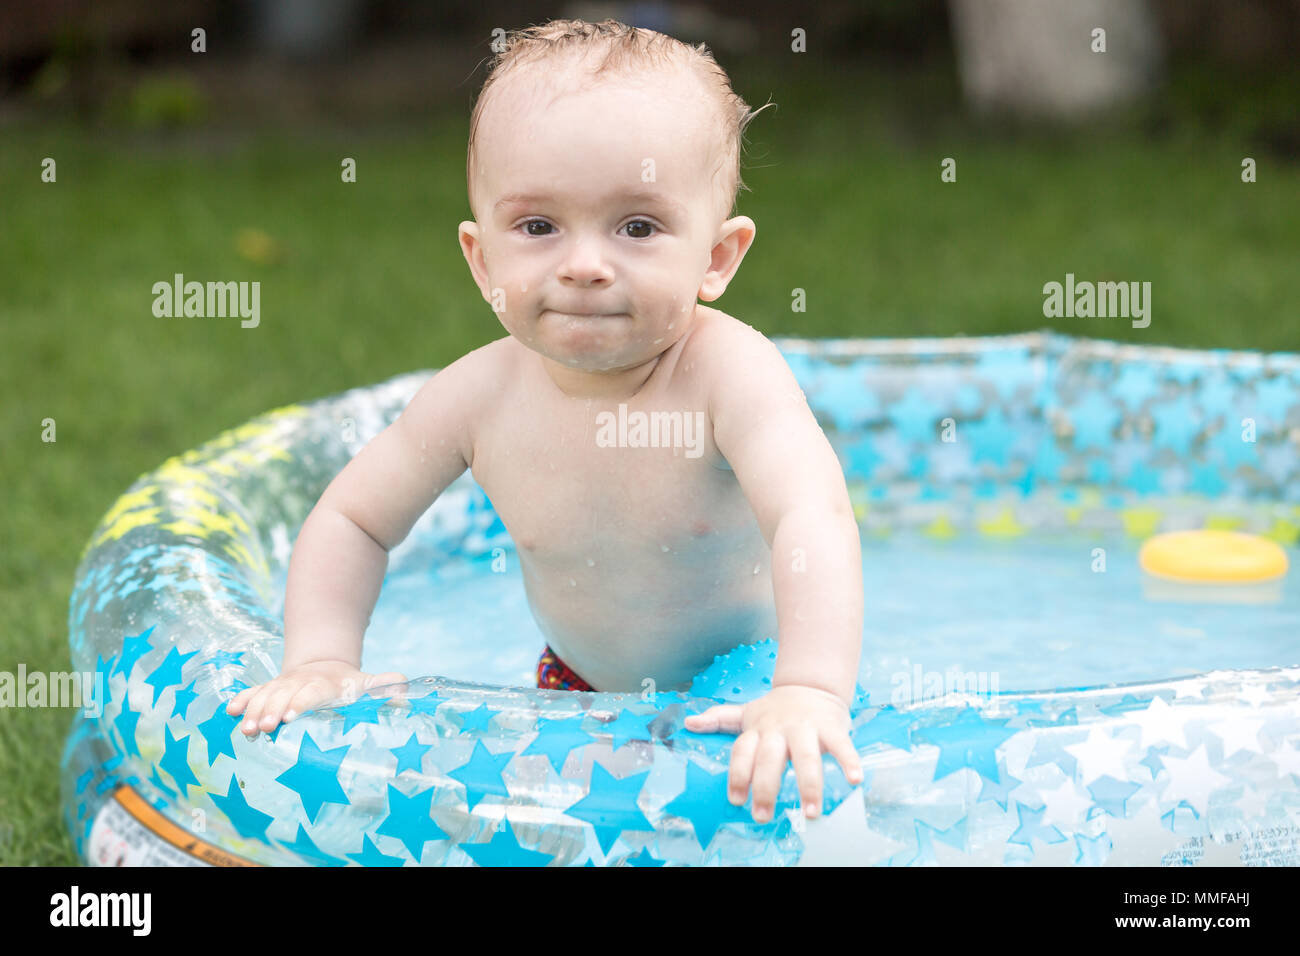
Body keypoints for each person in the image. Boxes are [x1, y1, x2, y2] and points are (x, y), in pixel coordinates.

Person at [228, 18, 864, 826]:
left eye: (638, 227)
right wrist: (321, 658)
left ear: (716, 258)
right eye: (538, 227)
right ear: (482, 259)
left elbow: (813, 515)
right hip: (573, 686)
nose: (584, 265)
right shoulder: (476, 398)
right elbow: (353, 518)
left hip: (751, 680)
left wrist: (809, 687)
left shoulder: (730, 377)